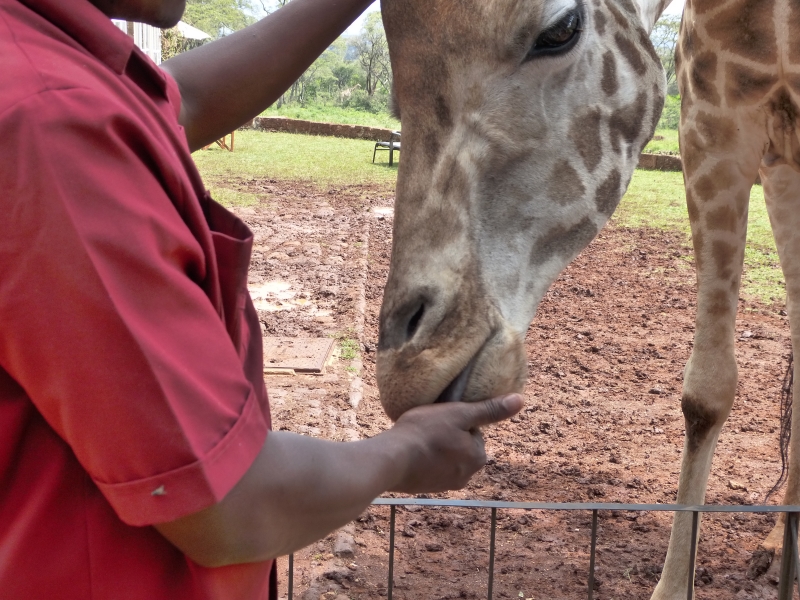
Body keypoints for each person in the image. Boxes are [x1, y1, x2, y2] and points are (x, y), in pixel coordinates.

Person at [0, 0, 524, 598]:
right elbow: (226, 505)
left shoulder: (38, 63)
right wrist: (405, 453)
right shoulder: (50, 121)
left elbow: (183, 101)